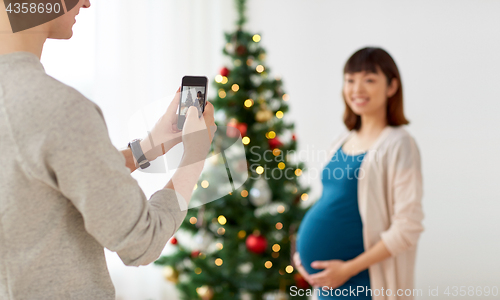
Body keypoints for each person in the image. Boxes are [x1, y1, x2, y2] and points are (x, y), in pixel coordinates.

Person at [0, 0, 216, 299]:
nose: (86, 3)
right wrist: (194, 156)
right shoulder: (57, 107)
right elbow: (143, 241)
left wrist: (148, 148)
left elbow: (40, 181)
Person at [293, 47, 424, 300]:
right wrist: (302, 254)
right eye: (350, 80)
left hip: (365, 282)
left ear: (392, 87)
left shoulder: (400, 144)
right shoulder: (341, 140)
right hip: (328, 283)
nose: (357, 89)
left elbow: (408, 226)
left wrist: (347, 269)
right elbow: (332, 202)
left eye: (369, 79)